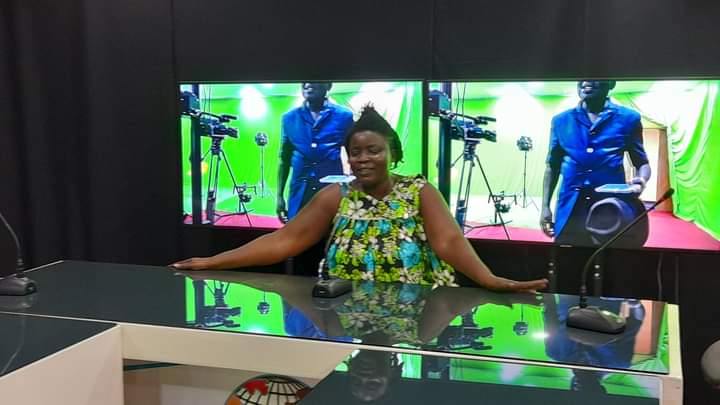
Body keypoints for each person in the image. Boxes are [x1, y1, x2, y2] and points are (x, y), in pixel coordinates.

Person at [173, 106, 547, 293]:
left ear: (393, 153)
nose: (363, 159)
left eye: (373, 150)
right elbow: (283, 240)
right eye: (355, 152)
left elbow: (449, 242)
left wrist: (490, 280)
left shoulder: (419, 191)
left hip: (413, 314)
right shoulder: (335, 196)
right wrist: (211, 262)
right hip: (345, 312)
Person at [540, 80, 651, 245]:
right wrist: (545, 207)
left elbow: (642, 163)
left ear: (611, 83)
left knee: (607, 257)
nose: (586, 82)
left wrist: (640, 181)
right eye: (581, 77)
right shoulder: (560, 121)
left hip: (610, 210)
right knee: (566, 257)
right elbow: (552, 166)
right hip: (570, 210)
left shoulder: (629, 118)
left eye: (594, 76)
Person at [276, 82, 354, 222]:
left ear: (328, 85)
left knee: (331, 231)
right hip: (299, 195)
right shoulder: (289, 118)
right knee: (296, 233)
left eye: (314, 79)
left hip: (331, 193)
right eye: (304, 80)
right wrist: (279, 197)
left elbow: (354, 153)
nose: (307, 83)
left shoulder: (344, 117)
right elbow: (284, 160)